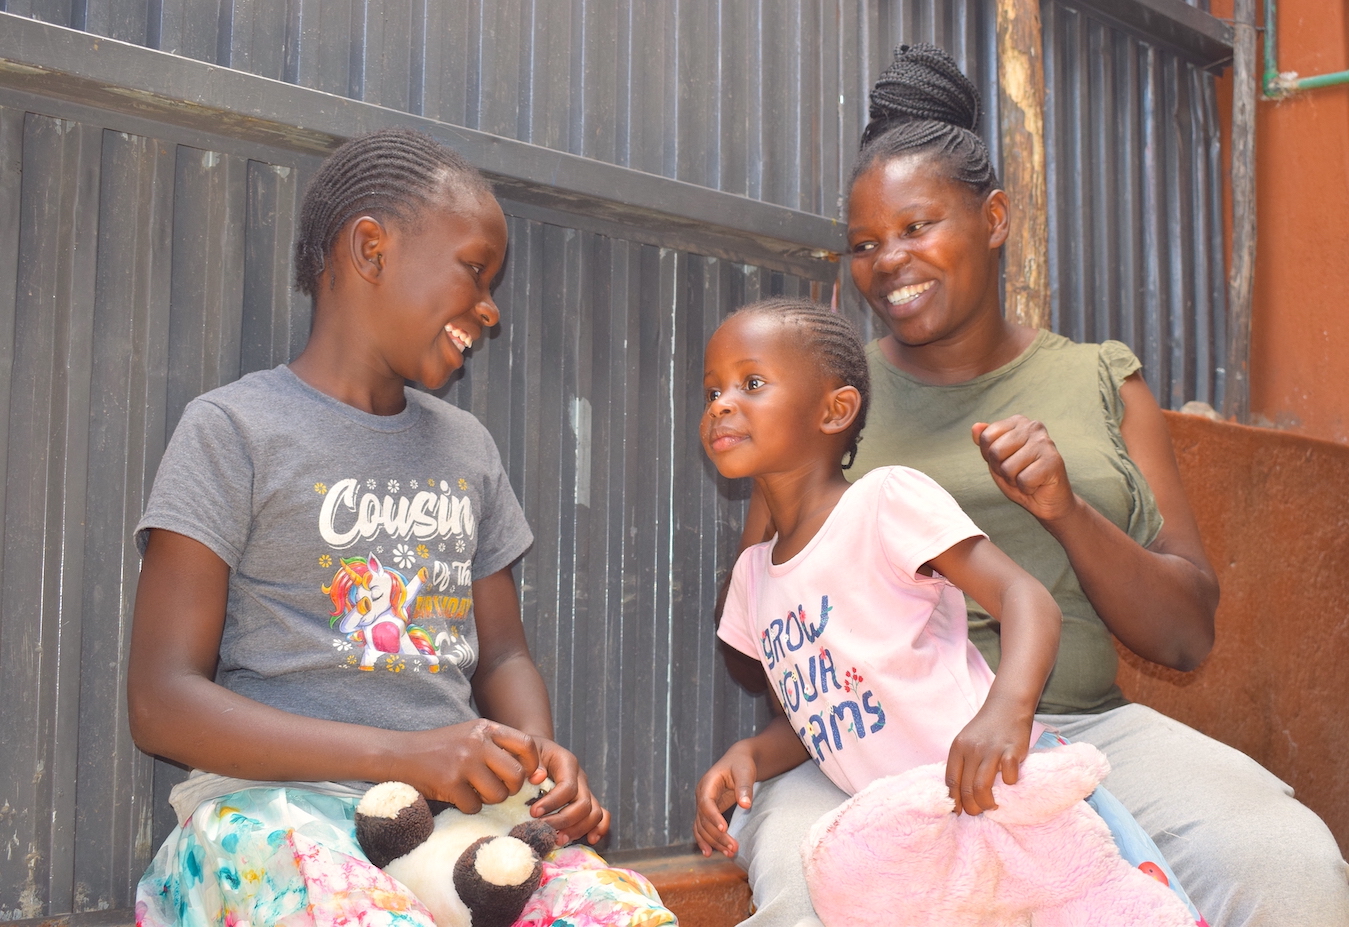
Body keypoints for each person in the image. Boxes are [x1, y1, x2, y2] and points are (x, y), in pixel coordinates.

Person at [719, 43, 1349, 927]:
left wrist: (1064, 509)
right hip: (870, 752)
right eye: (864, 244)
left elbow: (1185, 636)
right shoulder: (827, 400)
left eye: (917, 227)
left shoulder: (1099, 379)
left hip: (1079, 731)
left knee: (1285, 865)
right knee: (805, 888)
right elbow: (758, 640)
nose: (887, 263)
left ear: (995, 218)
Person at [127, 128, 674, 927]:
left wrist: (533, 757)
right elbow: (161, 701)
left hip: (458, 823)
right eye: (475, 269)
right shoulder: (233, 430)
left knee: (623, 913)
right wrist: (401, 753)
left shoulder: (467, 447)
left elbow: (504, 651)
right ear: (371, 250)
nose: (488, 307)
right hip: (275, 814)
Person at [692, 298, 1202, 923]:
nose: (720, 403)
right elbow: (820, 711)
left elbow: (1026, 599)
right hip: (919, 835)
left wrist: (1005, 713)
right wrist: (751, 754)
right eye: (712, 389)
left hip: (1010, 791)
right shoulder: (751, 578)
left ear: (835, 410)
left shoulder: (885, 501)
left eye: (750, 383)